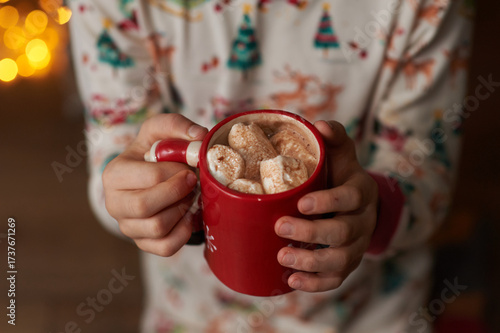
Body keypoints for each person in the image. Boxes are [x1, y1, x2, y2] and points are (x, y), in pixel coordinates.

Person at [69, 0, 473, 332]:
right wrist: (132, 198)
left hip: (372, 313)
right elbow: (117, 151)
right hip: (192, 313)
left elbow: (428, 172)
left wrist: (373, 212)